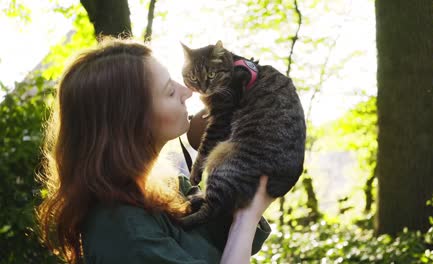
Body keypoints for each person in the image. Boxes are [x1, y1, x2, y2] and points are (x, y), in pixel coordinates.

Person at [37, 38, 273, 264]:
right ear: (130, 121)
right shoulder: (122, 232)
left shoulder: (169, 190)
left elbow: (233, 236)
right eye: (170, 91)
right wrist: (247, 217)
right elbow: (241, 227)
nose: (188, 92)